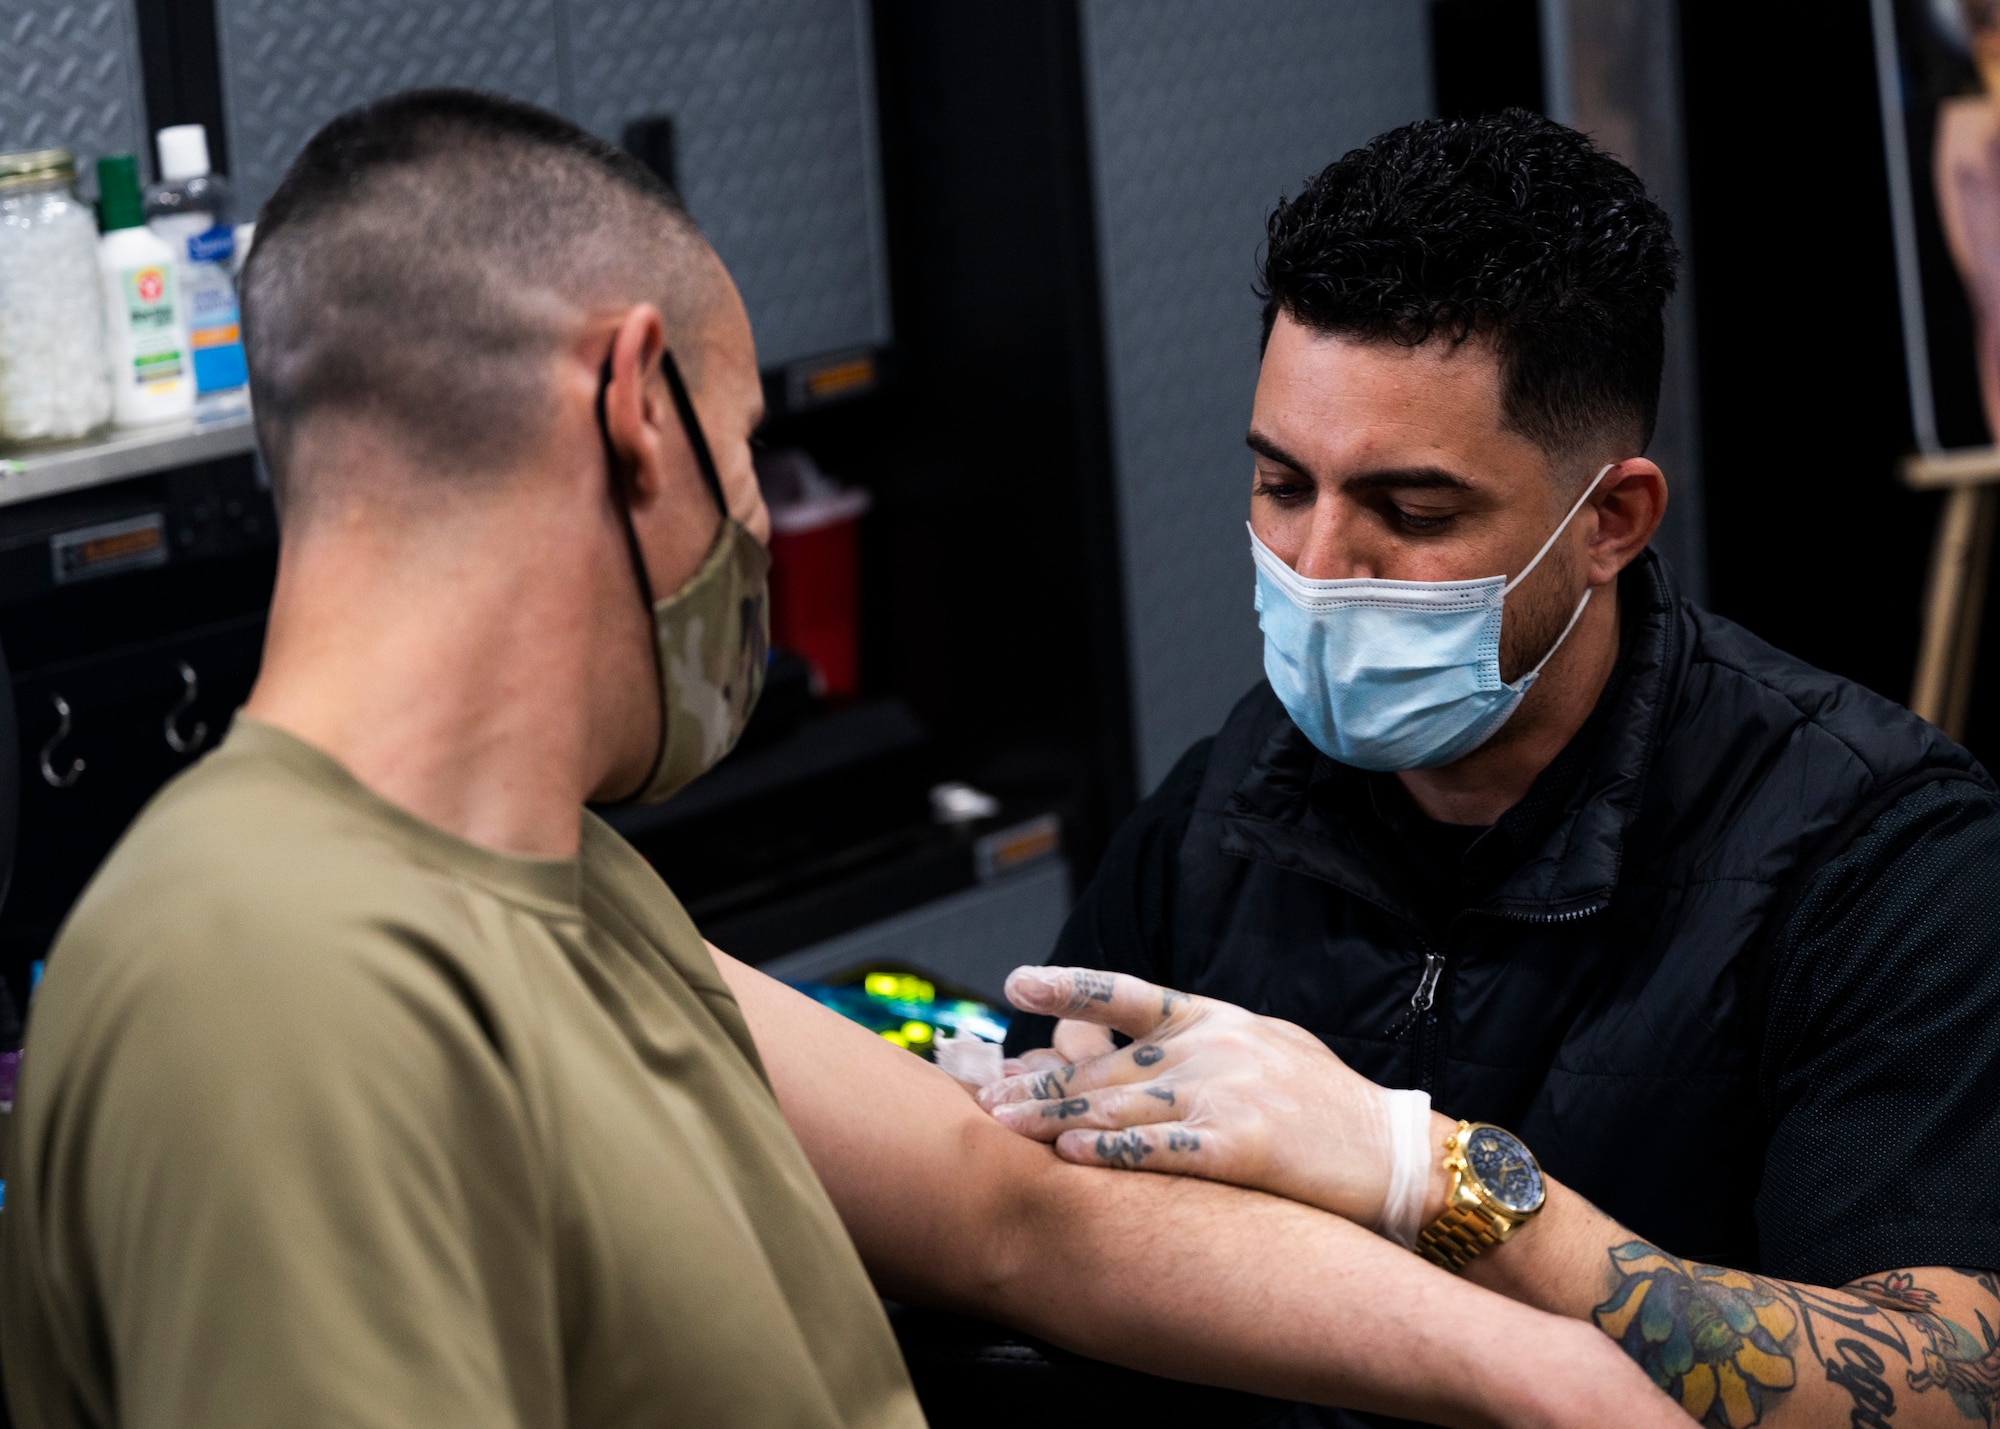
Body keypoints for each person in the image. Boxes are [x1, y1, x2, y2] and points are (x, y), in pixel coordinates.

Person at [0, 91, 1685, 1429]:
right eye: (747, 447)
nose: (753, 521)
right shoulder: (273, 976)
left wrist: (1523, 1363)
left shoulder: (559, 883)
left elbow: (1009, 1212)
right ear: (639, 411)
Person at [990, 111, 2000, 1429]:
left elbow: (1952, 1384)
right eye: (1283, 485)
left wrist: (1424, 1172)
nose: (1320, 564)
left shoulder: (1874, 853)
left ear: (1610, 522)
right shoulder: (1223, 809)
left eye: (1412, 511)